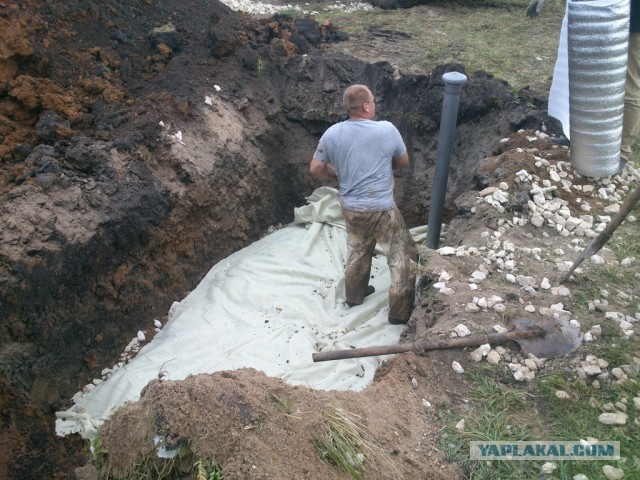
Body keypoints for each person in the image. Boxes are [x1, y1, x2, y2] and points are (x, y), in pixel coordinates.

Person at [309, 84, 418, 325]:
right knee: (402, 255)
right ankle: (399, 313)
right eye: (373, 102)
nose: (375, 106)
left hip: (351, 208)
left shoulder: (332, 133)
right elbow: (403, 162)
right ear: (367, 106)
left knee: (358, 250)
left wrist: (338, 172)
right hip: (381, 209)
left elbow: (316, 168)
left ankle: (354, 296)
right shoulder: (387, 130)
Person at [620, 0, 640, 167]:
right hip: (607, 17)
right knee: (595, 83)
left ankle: (622, 152)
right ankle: (581, 138)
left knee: (630, 86)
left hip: (635, 23)